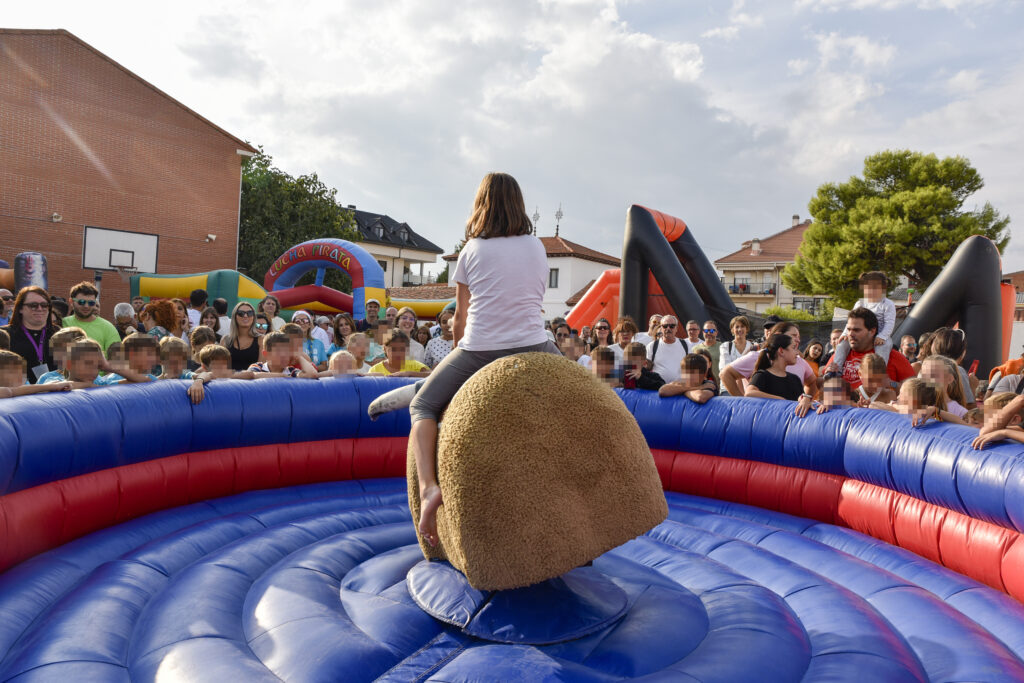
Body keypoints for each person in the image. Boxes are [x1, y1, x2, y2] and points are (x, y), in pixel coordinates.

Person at [408, 172, 562, 548]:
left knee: (422, 404)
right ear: (519, 205)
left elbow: (459, 319)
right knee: (584, 395)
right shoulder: (537, 246)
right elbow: (535, 299)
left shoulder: (471, 250)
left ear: (481, 204)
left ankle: (429, 488)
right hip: (535, 345)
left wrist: (463, 363)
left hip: (480, 349)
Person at [721, 321, 818, 414]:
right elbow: (726, 374)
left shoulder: (796, 374)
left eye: (798, 337)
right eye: (794, 336)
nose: (798, 340)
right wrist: (742, 404)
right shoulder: (760, 368)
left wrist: (806, 398)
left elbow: (807, 389)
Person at [826, 272, 896, 375]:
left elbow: (889, 323)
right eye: (868, 288)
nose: (871, 291)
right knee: (842, 344)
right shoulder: (860, 303)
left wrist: (882, 336)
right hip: (863, 336)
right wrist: (845, 333)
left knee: (884, 347)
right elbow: (851, 321)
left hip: (880, 336)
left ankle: (878, 373)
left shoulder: (888, 304)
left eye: (875, 288)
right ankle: (836, 370)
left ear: (883, 288)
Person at [827, 308, 914, 392]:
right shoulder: (840, 356)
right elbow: (819, 384)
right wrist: (828, 377)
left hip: (876, 406)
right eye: (849, 330)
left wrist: (891, 383)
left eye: (856, 330)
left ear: (872, 331)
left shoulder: (894, 356)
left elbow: (914, 390)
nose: (850, 334)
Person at [1, 286, 58, 383]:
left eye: (44, 305)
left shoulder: (60, 333)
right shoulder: (4, 334)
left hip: (57, 393)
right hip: (20, 394)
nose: (39, 309)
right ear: (20, 309)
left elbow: (72, 367)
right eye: (33, 305)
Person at [871, 377, 963, 426]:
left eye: (901, 394)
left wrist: (937, 411)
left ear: (912, 400)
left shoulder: (927, 415)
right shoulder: (896, 406)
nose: (897, 397)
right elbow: (873, 405)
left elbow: (964, 424)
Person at [63, 281, 120, 355]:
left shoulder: (107, 327)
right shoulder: (62, 323)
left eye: (91, 303)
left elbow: (117, 359)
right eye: (81, 302)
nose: (86, 306)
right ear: (71, 301)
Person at [745, 333, 805, 401]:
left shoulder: (795, 379)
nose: (797, 353)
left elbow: (801, 399)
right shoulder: (762, 375)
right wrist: (781, 400)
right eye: (793, 348)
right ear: (781, 351)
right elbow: (749, 393)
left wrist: (805, 400)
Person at [929, 327, 978, 407]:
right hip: (948, 419)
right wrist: (972, 387)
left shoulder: (926, 369)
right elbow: (969, 410)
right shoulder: (957, 371)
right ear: (963, 352)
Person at [0, 350, 72, 397]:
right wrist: (52, 386)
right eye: (12, 372)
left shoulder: (27, 387)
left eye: (22, 372)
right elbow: (8, 391)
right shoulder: (8, 391)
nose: (20, 376)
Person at [249, 331, 318, 377]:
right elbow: (252, 375)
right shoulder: (258, 366)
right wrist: (283, 376)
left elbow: (312, 374)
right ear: (266, 354)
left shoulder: (291, 371)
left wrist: (299, 357)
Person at [222, 301, 261, 371]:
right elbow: (221, 368)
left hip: (254, 381)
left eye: (249, 313)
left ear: (253, 317)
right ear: (235, 317)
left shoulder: (261, 339)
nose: (245, 316)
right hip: (229, 381)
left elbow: (261, 368)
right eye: (241, 313)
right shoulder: (225, 340)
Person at [646, 315, 685, 383]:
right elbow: (646, 368)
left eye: (672, 326)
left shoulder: (685, 345)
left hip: (680, 389)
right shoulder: (651, 346)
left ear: (676, 328)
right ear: (661, 328)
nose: (668, 328)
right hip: (657, 388)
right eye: (665, 326)